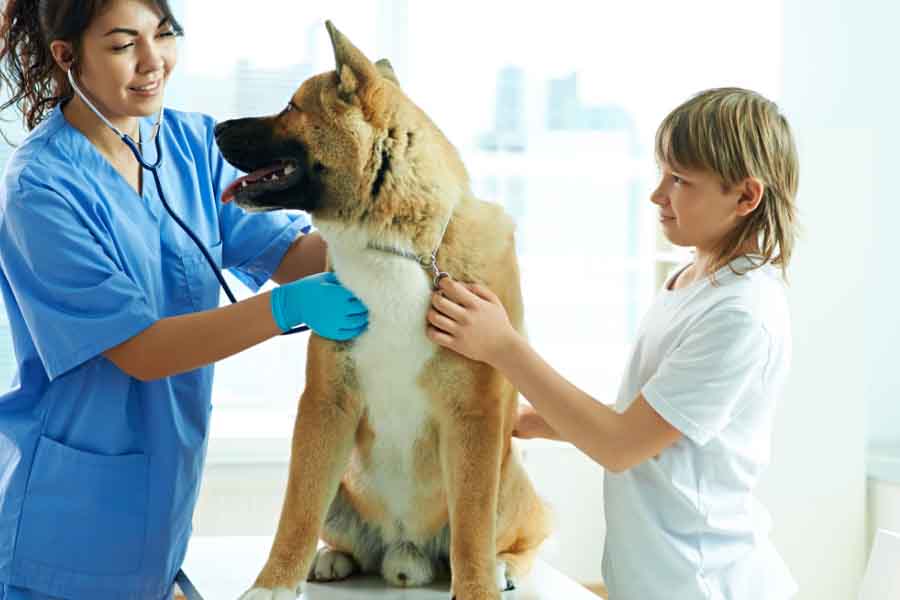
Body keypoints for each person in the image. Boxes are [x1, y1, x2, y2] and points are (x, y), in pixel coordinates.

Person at [0, 1, 368, 598]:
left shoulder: (191, 144)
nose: (153, 62)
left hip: (159, 524)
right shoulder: (40, 187)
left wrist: (396, 247)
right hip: (63, 533)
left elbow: (289, 253)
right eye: (123, 45)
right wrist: (286, 309)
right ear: (67, 57)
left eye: (164, 35)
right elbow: (140, 351)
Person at [427, 87, 800, 599]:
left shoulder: (741, 313)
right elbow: (646, 424)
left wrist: (503, 347)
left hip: (705, 585)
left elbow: (623, 445)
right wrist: (519, 422)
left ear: (745, 197)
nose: (656, 195)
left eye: (679, 180)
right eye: (661, 173)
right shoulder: (692, 281)